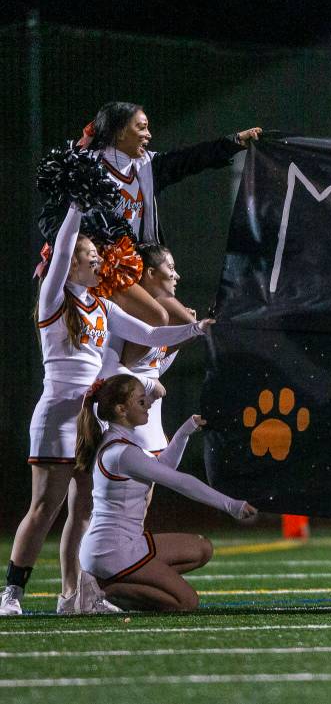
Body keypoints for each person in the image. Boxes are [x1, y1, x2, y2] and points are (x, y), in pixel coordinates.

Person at [0, 203, 214, 616]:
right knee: (45, 506)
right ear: (71, 264)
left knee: (84, 510)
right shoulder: (53, 300)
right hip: (58, 414)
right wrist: (77, 207)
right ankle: (12, 592)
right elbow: (60, 250)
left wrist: (195, 329)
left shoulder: (102, 305)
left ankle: (77, 596)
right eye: (90, 257)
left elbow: (150, 332)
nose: (100, 262)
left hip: (90, 417)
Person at [37, 101, 260, 364]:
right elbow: (50, 219)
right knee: (158, 318)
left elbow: (189, 160)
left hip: (134, 267)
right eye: (141, 127)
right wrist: (82, 248)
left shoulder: (145, 167)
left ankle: (137, 376)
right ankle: (115, 381)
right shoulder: (85, 167)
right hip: (100, 270)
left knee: (185, 324)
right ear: (120, 132)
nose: (149, 134)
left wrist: (234, 141)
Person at [76, 375, 256, 611]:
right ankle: (103, 591)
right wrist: (232, 505)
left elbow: (163, 467)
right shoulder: (122, 453)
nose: (148, 404)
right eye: (141, 402)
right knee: (186, 602)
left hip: (120, 547)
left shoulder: (119, 443)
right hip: (112, 551)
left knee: (202, 549)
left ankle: (121, 581)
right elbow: (180, 482)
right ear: (121, 409)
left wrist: (185, 430)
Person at [99, 243, 188, 453]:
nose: (177, 276)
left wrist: (181, 341)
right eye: (171, 268)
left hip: (151, 425)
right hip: (128, 425)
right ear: (150, 273)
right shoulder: (122, 317)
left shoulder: (157, 322)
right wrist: (150, 385)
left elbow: (153, 368)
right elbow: (108, 372)